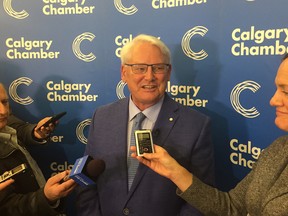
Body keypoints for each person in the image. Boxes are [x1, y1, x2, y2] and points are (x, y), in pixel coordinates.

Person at [131, 54, 288, 215]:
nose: (274, 100)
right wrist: (175, 172)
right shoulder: (278, 148)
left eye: (286, 92)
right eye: (277, 89)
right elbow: (231, 207)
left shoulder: (197, 123)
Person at [76, 34, 215, 216]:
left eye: (158, 68)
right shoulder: (102, 117)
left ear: (168, 72)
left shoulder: (196, 125)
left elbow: (200, 199)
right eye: (140, 68)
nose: (149, 77)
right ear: (124, 73)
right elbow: (86, 179)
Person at [0, 82, 77, 216]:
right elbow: (8, 208)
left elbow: (18, 128)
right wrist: (46, 197)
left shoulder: (6, 123)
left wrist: (36, 132)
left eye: (4, 102)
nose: (3, 111)